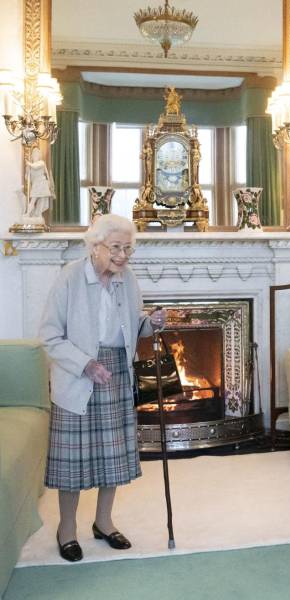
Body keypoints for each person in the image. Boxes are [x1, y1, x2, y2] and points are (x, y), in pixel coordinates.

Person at [39, 214, 167, 563]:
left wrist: (149, 322)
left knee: (113, 458)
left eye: (128, 249)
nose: (123, 256)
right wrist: (85, 364)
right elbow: (49, 337)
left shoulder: (127, 279)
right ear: (95, 247)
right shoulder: (69, 278)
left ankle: (103, 522)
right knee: (73, 462)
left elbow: (133, 326)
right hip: (79, 374)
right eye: (116, 248)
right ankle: (66, 529)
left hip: (116, 374)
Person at [24, 147, 54, 219]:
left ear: (39, 155)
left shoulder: (41, 162)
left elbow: (35, 166)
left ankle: (34, 214)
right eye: (34, 153)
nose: (35, 155)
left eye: (37, 154)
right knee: (33, 200)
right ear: (32, 155)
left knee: (40, 200)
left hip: (42, 183)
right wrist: (27, 170)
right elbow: (26, 177)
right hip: (35, 184)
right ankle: (31, 214)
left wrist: (28, 163)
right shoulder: (30, 165)